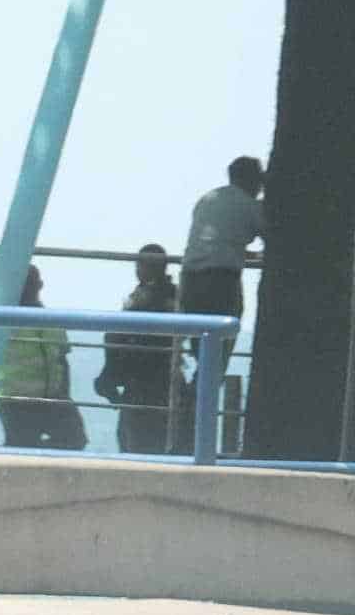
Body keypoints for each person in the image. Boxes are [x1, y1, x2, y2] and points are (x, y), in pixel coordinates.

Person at [183, 155, 263, 383]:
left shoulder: (207, 199)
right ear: (254, 180)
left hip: (191, 279)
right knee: (222, 345)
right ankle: (199, 399)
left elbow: (216, 240)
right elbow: (274, 239)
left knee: (202, 347)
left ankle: (191, 402)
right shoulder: (248, 205)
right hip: (221, 280)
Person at [100, 243, 182, 455]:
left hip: (141, 384)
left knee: (135, 446)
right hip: (167, 380)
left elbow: (116, 337)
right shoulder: (176, 298)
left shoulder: (142, 300)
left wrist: (108, 376)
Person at [0, 267, 85, 452]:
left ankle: (32, 456)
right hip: (15, 400)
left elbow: (62, 360)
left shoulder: (50, 319)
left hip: (50, 398)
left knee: (74, 439)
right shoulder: (4, 320)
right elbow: (63, 360)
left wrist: (64, 397)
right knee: (22, 445)